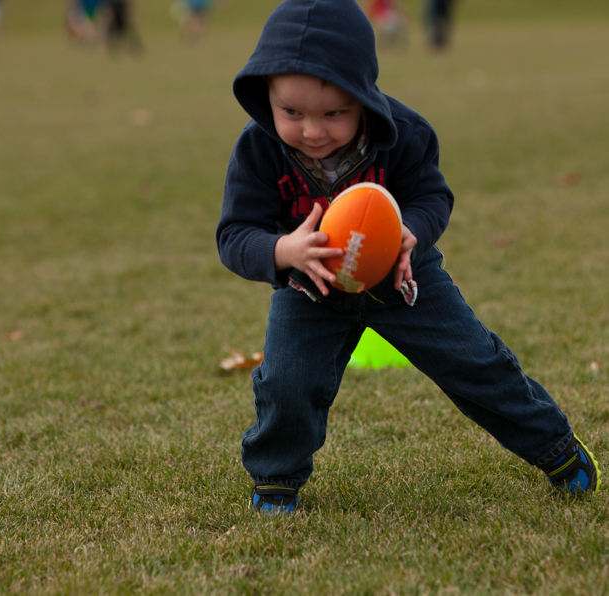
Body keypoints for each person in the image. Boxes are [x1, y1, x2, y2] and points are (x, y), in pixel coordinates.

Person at [216, 0, 600, 514]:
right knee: (286, 383)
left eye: (334, 113)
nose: (312, 130)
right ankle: (276, 480)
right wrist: (283, 250)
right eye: (292, 113)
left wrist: (411, 232)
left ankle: (555, 449)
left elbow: (432, 197)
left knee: (477, 362)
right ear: (266, 97)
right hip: (311, 291)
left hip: (405, 281)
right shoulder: (258, 150)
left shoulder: (404, 133)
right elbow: (235, 234)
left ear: (363, 98)